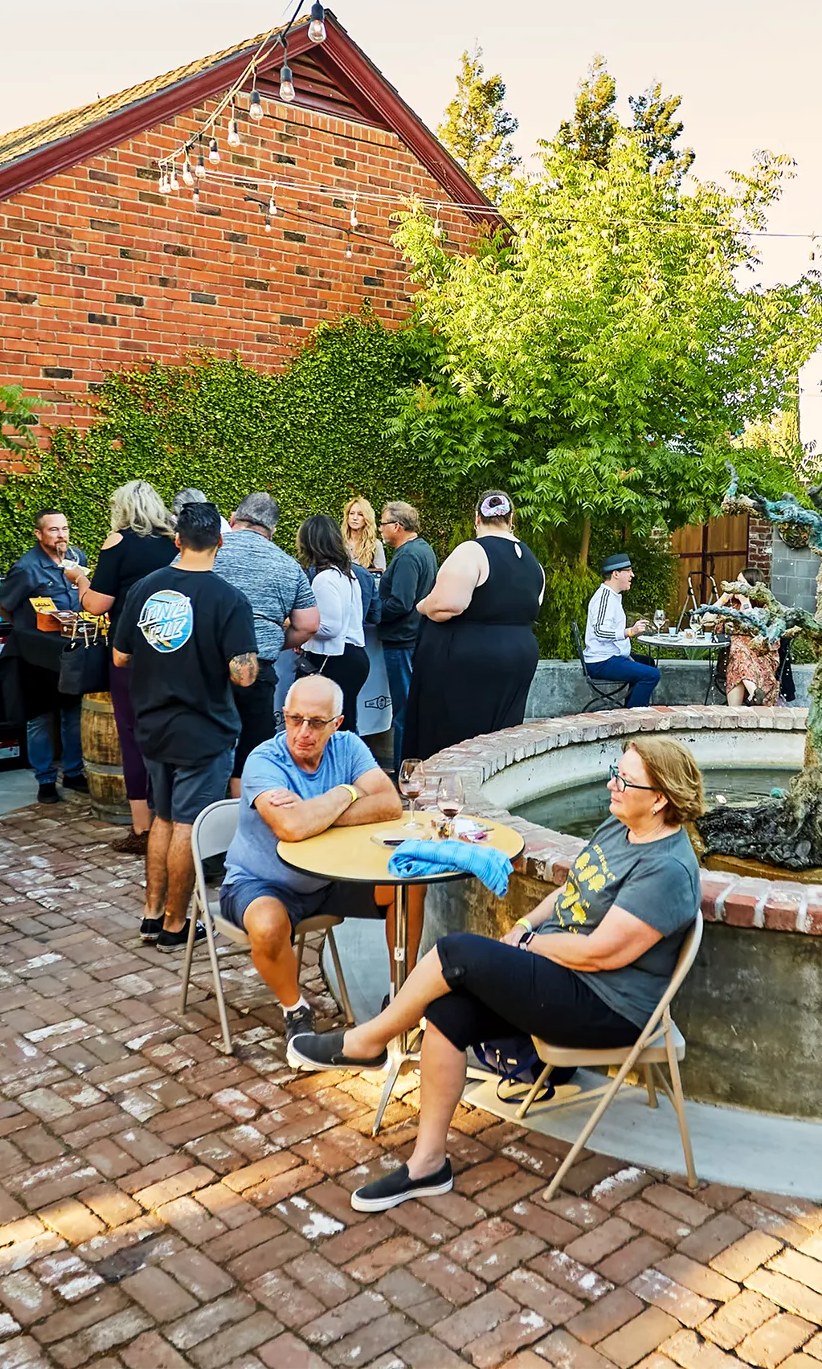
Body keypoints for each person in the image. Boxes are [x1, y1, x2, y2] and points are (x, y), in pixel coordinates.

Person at [289, 738, 706, 1211]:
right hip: (561, 975)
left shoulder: (667, 868)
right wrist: (527, 924)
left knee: (456, 953)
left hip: (605, 1005)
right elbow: (574, 890)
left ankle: (368, 1042)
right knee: (450, 1008)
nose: (611, 783)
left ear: (659, 799)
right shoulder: (620, 826)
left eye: (625, 780)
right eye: (616, 770)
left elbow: (600, 954)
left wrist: (530, 944)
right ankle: (428, 1165)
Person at [112, 502, 259, 949]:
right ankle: (177, 925)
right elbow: (244, 675)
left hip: (152, 724)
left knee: (161, 819)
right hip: (204, 728)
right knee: (188, 825)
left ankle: (151, 914)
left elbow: (120, 655)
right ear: (219, 541)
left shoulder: (143, 589)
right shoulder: (229, 599)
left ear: (177, 541)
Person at [219, 675, 402, 1035]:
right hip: (261, 881)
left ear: (337, 723)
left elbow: (390, 803)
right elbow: (290, 828)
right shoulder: (264, 760)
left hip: (331, 878)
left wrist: (317, 812)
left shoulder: (348, 747)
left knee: (407, 888)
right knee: (269, 927)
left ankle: (400, 993)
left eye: (316, 722)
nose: (303, 731)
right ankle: (295, 1009)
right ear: (283, 715)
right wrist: (348, 793)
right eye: (294, 719)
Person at [406, 491, 545, 759]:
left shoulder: (472, 550)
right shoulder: (534, 563)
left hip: (469, 659)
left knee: (457, 736)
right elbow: (533, 607)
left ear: (477, 519)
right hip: (519, 655)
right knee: (499, 738)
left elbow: (447, 605)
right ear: (512, 519)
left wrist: (422, 605)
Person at [80, 480, 179, 855]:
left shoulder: (118, 541)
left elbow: (97, 605)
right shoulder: (174, 542)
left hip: (130, 652)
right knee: (169, 731)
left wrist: (81, 581)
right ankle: (174, 816)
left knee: (133, 735)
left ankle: (142, 826)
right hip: (173, 649)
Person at [214, 492, 320, 786]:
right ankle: (240, 816)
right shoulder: (287, 565)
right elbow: (309, 624)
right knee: (251, 749)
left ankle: (196, 820)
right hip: (258, 666)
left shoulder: (207, 551)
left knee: (203, 748)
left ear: (233, 520)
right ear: (272, 531)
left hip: (203, 664)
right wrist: (275, 641)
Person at [0, 507, 90, 804]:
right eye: (53, 530)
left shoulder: (78, 558)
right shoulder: (26, 568)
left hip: (70, 652)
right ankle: (46, 780)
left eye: (64, 528)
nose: (61, 534)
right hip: (35, 657)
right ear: (39, 534)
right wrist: (25, 630)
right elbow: (1, 605)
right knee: (39, 718)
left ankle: (74, 773)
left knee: (73, 715)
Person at [377, 501, 438, 765]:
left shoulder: (408, 556)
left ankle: (405, 772)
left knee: (403, 711)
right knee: (415, 708)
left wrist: (372, 613)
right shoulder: (424, 550)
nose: (380, 529)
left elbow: (401, 602)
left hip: (402, 641)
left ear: (397, 526)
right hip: (415, 637)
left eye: (382, 523)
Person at [297, 513, 372, 713]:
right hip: (351, 657)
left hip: (335, 659)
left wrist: (295, 624)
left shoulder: (325, 579)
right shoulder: (347, 574)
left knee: (329, 726)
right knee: (343, 724)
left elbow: (329, 628)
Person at [582, 553, 660, 708]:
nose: (632, 575)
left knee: (649, 664)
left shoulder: (613, 596)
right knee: (652, 675)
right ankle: (634, 716)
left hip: (611, 656)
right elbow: (599, 631)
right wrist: (629, 632)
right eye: (628, 570)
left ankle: (631, 708)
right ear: (616, 574)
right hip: (601, 661)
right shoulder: (604, 597)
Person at [716, 588, 779, 705]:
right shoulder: (731, 607)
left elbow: (753, 625)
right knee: (738, 653)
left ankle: (734, 714)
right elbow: (705, 620)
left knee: (737, 661)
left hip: (760, 658)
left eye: (743, 584)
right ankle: (754, 692)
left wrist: (745, 603)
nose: (738, 586)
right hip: (732, 656)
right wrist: (722, 600)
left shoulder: (766, 609)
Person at [343, 497, 386, 572]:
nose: (355, 518)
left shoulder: (375, 545)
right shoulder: (338, 543)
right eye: (352, 513)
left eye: (360, 514)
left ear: (367, 518)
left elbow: (380, 574)